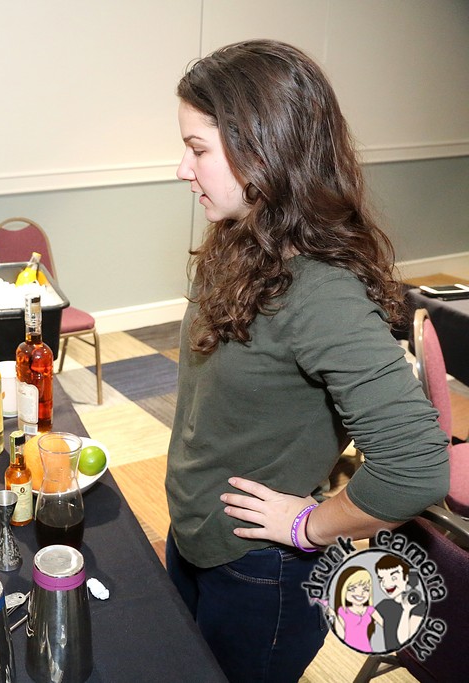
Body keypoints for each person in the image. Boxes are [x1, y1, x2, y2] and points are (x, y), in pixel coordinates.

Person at [164, 40, 449, 682]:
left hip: (261, 569)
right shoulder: (238, 239)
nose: (182, 169)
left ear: (263, 151)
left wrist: (311, 526)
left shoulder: (320, 291)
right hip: (198, 531)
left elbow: (417, 467)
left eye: (198, 149)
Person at [374, 555, 427, 650]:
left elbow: (404, 641)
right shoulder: (384, 604)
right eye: (381, 579)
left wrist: (406, 610)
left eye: (394, 577)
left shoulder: (419, 606)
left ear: (406, 578)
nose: (386, 584)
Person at [330, 566, 382, 652]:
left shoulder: (370, 610)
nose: (359, 593)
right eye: (352, 589)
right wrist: (334, 616)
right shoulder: (342, 611)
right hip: (346, 649)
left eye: (366, 589)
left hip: (366, 649)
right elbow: (342, 635)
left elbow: (386, 625)